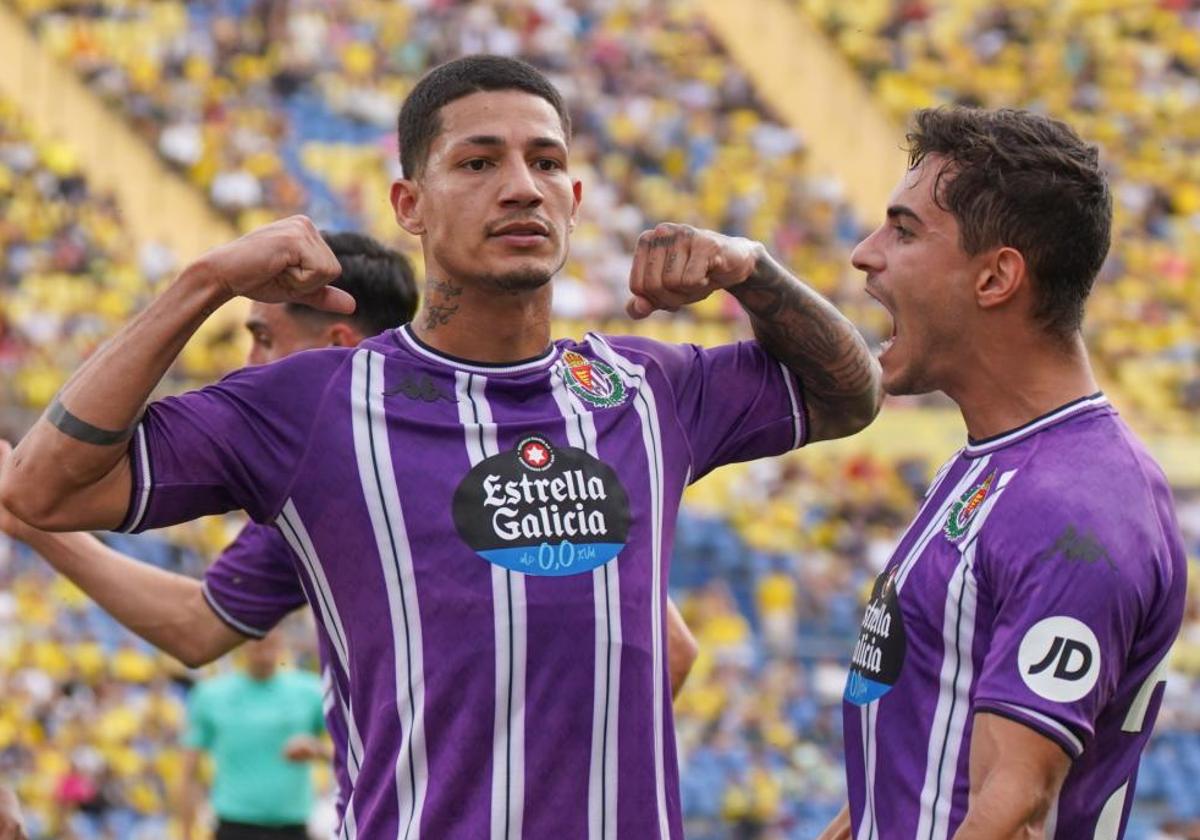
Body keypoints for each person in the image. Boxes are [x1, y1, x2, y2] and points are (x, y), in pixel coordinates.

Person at [0, 55, 881, 837]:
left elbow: (851, 396)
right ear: (408, 206)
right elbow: (42, 491)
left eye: (547, 162)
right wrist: (203, 281)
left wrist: (751, 270)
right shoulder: (314, 406)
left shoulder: (648, 388)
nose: (522, 187)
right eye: (478, 162)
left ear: (577, 201)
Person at [0, 228, 700, 829]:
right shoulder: (462, 449)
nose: (251, 365)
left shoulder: (346, 458)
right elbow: (202, 624)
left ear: (333, 342)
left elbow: (192, 627)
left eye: (264, 338)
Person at [818, 107, 1186, 839]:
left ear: (996, 277)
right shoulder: (996, 465)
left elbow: (1013, 807)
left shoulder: (1078, 508)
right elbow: (909, 781)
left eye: (904, 230)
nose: (865, 254)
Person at [179, 630, 326, 840]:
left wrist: (317, 749)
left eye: (272, 629)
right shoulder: (210, 695)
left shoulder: (311, 692)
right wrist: (186, 834)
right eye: (257, 631)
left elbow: (347, 756)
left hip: (293, 829)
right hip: (234, 827)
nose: (264, 638)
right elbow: (189, 774)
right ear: (239, 640)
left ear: (282, 638)